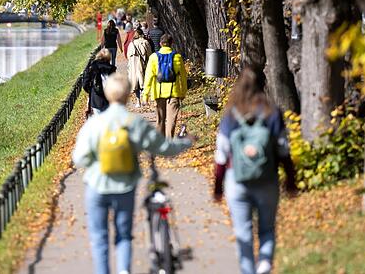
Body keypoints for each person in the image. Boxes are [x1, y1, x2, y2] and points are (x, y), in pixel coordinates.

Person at [73, 73, 194, 274]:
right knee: (123, 235)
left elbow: (79, 159)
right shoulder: (134, 123)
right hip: (125, 187)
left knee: (99, 238)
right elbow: (163, 147)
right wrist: (186, 142)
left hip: (97, 186)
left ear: (107, 94)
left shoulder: (95, 124)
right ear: (129, 94)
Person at [213, 67, 298, 274]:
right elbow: (283, 150)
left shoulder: (231, 114)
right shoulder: (272, 113)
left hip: (237, 180)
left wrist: (217, 186)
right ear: (263, 84)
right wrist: (290, 179)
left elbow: (222, 155)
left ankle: (249, 270)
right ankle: (265, 264)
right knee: (267, 229)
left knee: (243, 234)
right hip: (267, 179)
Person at [142, 34, 186, 138]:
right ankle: (169, 142)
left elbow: (148, 77)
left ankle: (160, 144)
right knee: (171, 120)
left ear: (160, 44)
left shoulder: (153, 57)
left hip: (158, 92)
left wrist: (145, 95)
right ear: (171, 44)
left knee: (160, 120)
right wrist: (183, 92)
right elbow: (183, 77)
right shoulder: (177, 57)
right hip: (174, 92)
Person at [82, 48, 117, 115]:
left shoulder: (92, 67)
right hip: (109, 98)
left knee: (98, 120)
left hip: (96, 98)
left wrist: (91, 91)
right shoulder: (112, 69)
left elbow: (85, 84)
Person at [126, 28, 152, 107]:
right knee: (143, 82)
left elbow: (128, 56)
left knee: (135, 84)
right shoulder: (145, 42)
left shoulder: (131, 43)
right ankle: (144, 99)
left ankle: (138, 101)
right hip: (143, 65)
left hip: (133, 66)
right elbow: (150, 54)